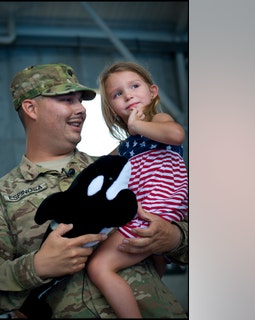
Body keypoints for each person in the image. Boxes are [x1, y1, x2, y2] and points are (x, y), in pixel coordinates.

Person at [0, 63, 188, 318]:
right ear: (31, 108)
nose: (81, 110)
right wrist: (37, 266)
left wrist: (174, 237)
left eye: (80, 101)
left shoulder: (119, 167)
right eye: (67, 100)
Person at [86, 61, 189, 318]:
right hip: (152, 207)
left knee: (99, 266)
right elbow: (104, 166)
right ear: (111, 106)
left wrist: (137, 126)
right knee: (153, 262)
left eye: (134, 86)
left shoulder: (157, 120)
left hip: (155, 207)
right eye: (117, 94)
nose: (128, 94)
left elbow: (176, 135)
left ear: (152, 92)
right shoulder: (128, 145)